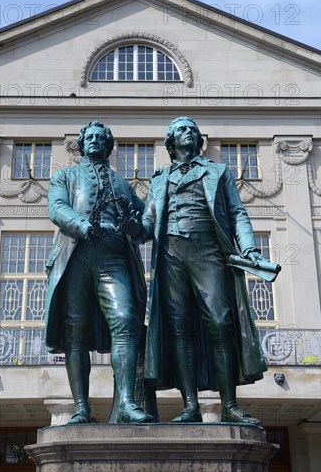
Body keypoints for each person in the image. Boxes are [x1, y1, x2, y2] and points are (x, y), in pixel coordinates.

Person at [142, 116, 270, 424]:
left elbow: (238, 213)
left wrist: (250, 248)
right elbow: (147, 224)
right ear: (171, 142)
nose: (189, 133)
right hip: (171, 254)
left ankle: (229, 405)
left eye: (193, 130)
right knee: (179, 328)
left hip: (208, 250)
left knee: (221, 321)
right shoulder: (159, 180)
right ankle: (190, 405)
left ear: (199, 140)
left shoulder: (218, 172)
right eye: (181, 130)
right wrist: (127, 227)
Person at [45, 120, 151, 424]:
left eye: (100, 138)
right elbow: (57, 208)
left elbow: (146, 226)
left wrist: (136, 228)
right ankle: (81, 407)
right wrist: (83, 225)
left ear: (108, 146)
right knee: (75, 329)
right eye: (89, 137)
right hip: (76, 254)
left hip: (113, 257)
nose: (94, 141)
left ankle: (127, 403)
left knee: (124, 321)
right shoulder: (64, 176)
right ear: (81, 144)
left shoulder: (123, 185)